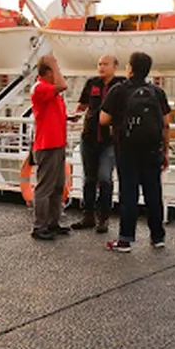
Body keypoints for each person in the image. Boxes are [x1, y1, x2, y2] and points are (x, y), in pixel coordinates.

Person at [99, 51, 172, 252]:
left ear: (130, 68)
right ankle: (157, 237)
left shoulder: (119, 90)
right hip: (152, 150)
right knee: (153, 193)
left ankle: (125, 239)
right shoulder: (157, 92)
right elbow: (166, 124)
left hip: (127, 150)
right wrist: (164, 151)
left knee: (128, 193)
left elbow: (103, 120)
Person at [70, 54, 124, 233]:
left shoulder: (121, 85)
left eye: (105, 64)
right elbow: (83, 105)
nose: (101, 67)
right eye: (99, 64)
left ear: (115, 67)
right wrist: (73, 115)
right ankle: (88, 216)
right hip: (89, 138)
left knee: (105, 178)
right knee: (89, 179)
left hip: (110, 141)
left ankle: (104, 218)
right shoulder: (91, 83)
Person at [29, 53, 70, 241]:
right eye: (54, 71)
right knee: (45, 187)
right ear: (47, 72)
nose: (58, 74)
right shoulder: (41, 88)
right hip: (48, 144)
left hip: (57, 142)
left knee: (57, 185)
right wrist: (54, 64)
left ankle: (53, 222)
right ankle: (40, 226)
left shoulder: (47, 89)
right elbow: (63, 85)